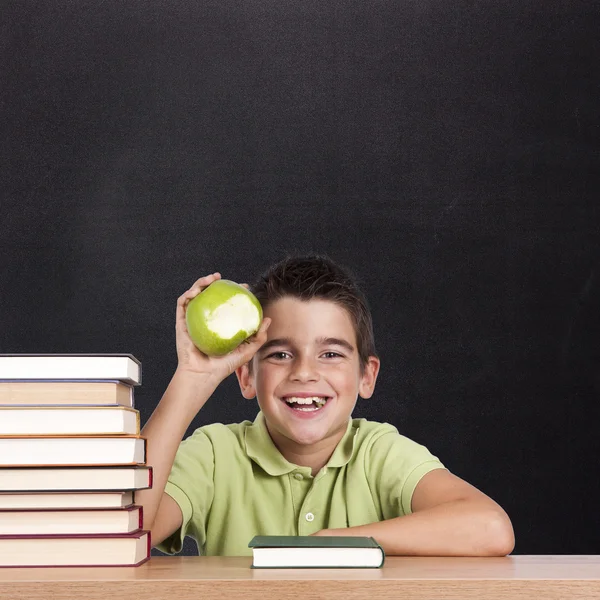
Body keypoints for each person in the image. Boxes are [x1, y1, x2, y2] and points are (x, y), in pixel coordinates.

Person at [137, 255, 515, 557]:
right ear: (246, 376)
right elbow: (124, 532)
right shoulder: (215, 455)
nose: (305, 372)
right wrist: (191, 377)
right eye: (281, 353)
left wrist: (337, 541)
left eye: (330, 353)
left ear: (367, 376)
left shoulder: (378, 453)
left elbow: (491, 528)